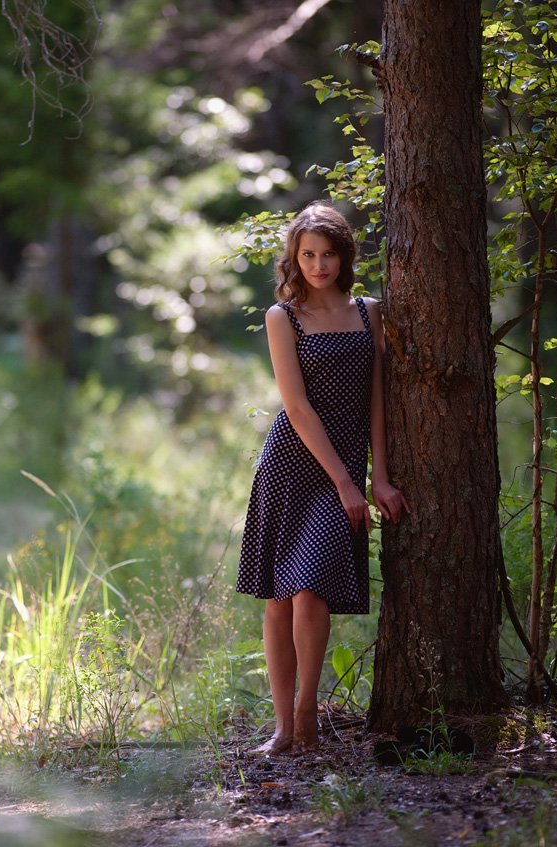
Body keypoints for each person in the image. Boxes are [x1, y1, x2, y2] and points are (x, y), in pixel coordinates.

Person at [235, 201, 409, 755]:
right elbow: (298, 407)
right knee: (280, 598)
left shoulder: (369, 312)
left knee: (310, 591)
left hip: (347, 469)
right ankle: (283, 728)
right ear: (294, 258)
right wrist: (345, 481)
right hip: (293, 462)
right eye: (307, 255)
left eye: (327, 254)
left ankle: (309, 714)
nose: (317, 265)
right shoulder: (282, 317)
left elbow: (379, 400)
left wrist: (378, 477)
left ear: (344, 255)